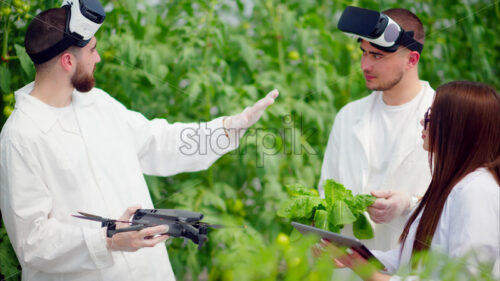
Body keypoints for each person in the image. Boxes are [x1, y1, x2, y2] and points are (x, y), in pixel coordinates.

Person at [0, 4, 278, 281]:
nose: (97, 59)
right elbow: (31, 242)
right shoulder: (22, 136)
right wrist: (107, 240)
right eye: (92, 50)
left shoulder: (97, 104)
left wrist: (227, 128)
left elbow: (159, 141)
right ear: (68, 62)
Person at [325, 81, 500, 280]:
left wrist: (375, 276)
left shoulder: (477, 192)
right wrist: (353, 257)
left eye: (431, 116)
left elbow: (466, 276)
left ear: (457, 128)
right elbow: (410, 259)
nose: (422, 122)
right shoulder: (450, 186)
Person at [319, 7, 434, 250]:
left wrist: (409, 203)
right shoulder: (348, 116)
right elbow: (326, 192)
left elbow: (465, 204)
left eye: (377, 56)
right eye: (364, 53)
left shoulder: (445, 118)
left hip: (410, 268)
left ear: (411, 60)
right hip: (348, 269)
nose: (365, 65)